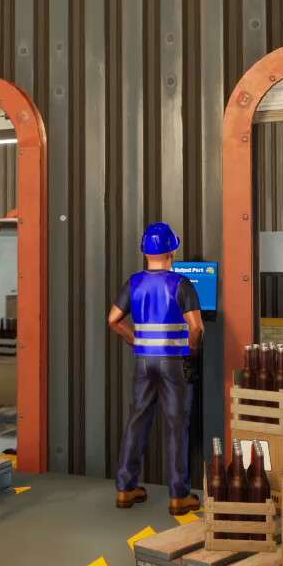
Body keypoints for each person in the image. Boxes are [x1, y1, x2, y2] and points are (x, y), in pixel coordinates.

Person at [107, 221, 204, 515]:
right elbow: (197, 327)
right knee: (176, 425)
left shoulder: (133, 283)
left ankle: (125, 488)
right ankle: (179, 495)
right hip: (174, 362)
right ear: (172, 251)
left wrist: (135, 339)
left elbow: (113, 320)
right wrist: (192, 349)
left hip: (143, 360)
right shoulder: (181, 284)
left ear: (145, 252)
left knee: (137, 420)